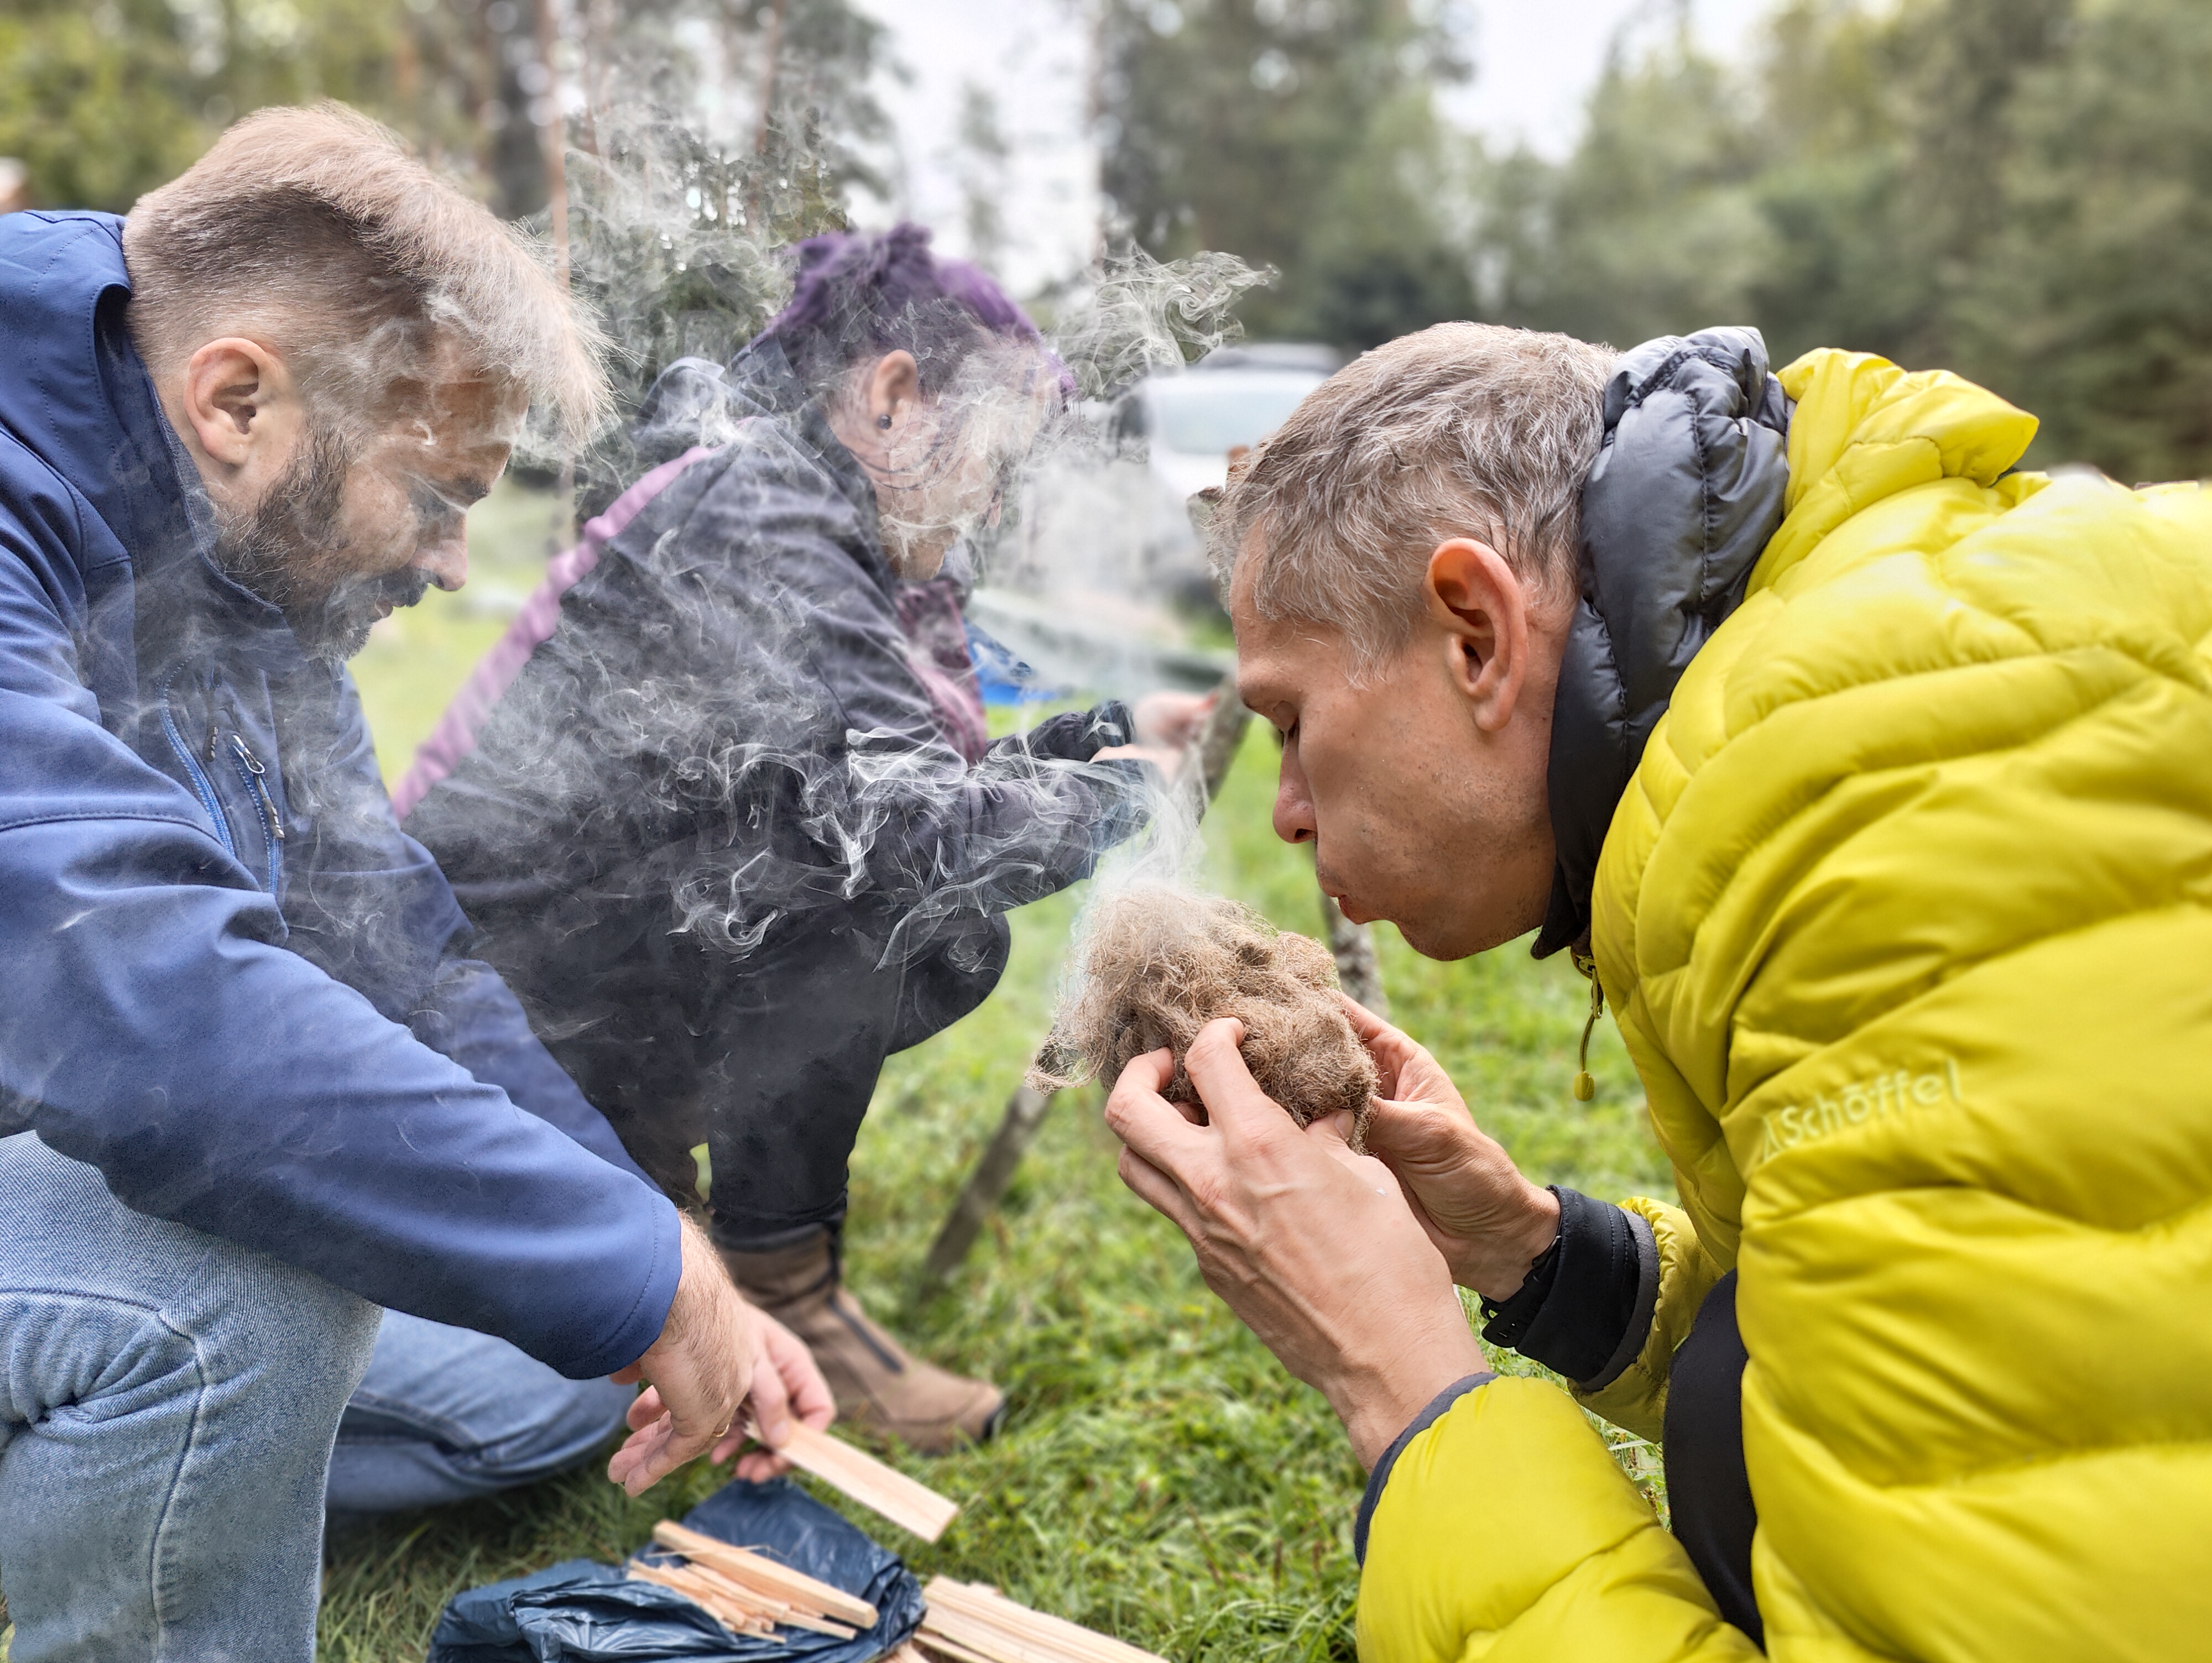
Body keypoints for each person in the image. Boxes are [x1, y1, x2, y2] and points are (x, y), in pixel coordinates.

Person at [1102, 323, 2212, 1657]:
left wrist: (1395, 1374)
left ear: (1474, 632)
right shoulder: (1867, 679)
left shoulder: (1866, 815)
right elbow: (1874, 1346)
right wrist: (1532, 1250)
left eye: (1292, 722)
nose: (1281, 812)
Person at [0, 106, 832, 1662]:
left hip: (43, 1153)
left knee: (547, 1363)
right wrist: (637, 1274)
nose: (456, 564)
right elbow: (141, 1002)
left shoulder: (227, 530)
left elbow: (394, 948)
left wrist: (644, 1249)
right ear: (236, 398)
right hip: (74, 1102)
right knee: (228, 1303)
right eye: (439, 495)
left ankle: (89, 1437)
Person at [400, 224, 1209, 1452]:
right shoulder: (766, 514)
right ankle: (770, 1281)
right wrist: (1117, 796)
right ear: (891, 395)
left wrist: (1104, 732)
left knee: (867, 883)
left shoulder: (799, 509)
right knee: (893, 906)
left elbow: (900, 778)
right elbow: (905, 834)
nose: (994, 496)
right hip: (477, 1003)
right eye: (993, 454)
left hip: (574, 978)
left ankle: (719, 1239)